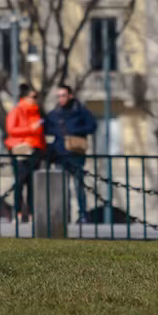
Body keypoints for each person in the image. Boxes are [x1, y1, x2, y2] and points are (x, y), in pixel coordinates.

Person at [43, 83, 99, 220]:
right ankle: (65, 216)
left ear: (70, 96)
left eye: (63, 95)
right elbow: (46, 129)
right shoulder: (54, 114)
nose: (60, 99)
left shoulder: (81, 112)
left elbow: (92, 126)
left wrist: (75, 132)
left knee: (79, 185)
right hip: (59, 155)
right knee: (62, 188)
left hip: (76, 154)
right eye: (58, 96)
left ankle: (82, 215)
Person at [5, 84, 45, 222]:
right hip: (21, 150)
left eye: (36, 97)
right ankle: (18, 213)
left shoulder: (37, 112)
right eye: (33, 97)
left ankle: (32, 214)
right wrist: (30, 128)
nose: (35, 99)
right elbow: (11, 129)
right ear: (25, 97)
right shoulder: (17, 110)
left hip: (36, 150)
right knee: (20, 182)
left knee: (32, 184)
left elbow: (40, 133)